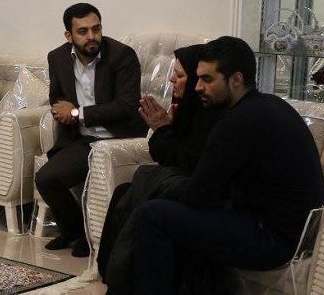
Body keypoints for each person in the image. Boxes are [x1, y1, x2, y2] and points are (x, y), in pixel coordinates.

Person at [130, 37, 324, 294]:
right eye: (198, 78)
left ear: (236, 79)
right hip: (289, 231)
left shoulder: (237, 123)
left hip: (273, 240)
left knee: (152, 213)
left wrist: (157, 184)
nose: (198, 87)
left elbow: (195, 195)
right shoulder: (270, 104)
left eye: (207, 79)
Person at [97, 44, 228, 293]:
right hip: (180, 182)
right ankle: (112, 274)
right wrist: (167, 129)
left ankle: (123, 279)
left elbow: (191, 163)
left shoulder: (214, 116)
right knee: (123, 192)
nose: (171, 80)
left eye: (179, 75)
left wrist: (164, 130)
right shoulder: (187, 109)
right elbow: (168, 158)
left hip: (199, 193)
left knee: (144, 196)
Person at [35, 3, 143, 256]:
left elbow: (126, 106)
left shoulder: (122, 56)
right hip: (84, 139)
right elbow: (56, 96)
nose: (92, 36)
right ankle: (75, 230)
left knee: (94, 178)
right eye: (83, 31)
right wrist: (60, 110)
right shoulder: (57, 58)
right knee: (46, 179)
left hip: (119, 140)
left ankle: (93, 236)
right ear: (69, 35)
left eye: (96, 29)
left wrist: (77, 113)